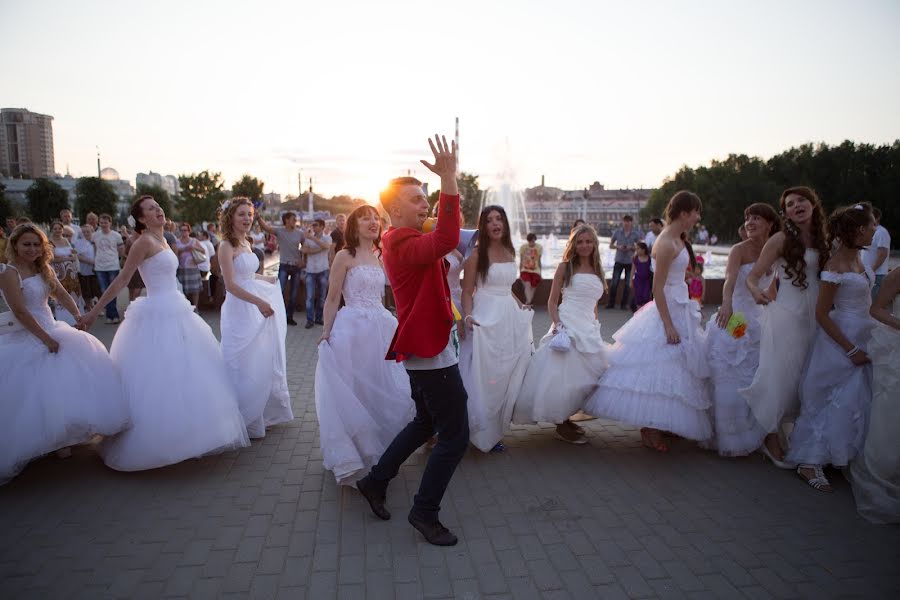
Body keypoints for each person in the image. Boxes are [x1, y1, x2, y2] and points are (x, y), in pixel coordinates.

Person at [79, 195, 249, 471]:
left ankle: (192, 434)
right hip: (156, 312)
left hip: (177, 307)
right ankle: (160, 441)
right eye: (151, 209)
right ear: (141, 218)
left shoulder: (164, 239)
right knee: (160, 377)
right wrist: (93, 312)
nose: (158, 210)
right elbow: (123, 279)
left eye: (158, 206)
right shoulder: (143, 242)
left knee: (191, 372)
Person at [356, 135, 468, 547]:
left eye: (426, 197)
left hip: (427, 346)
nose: (426, 204)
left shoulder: (402, 239)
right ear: (395, 208)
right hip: (430, 352)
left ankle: (375, 481)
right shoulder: (400, 241)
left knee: (425, 422)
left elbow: (441, 238)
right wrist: (450, 179)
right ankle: (424, 512)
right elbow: (446, 239)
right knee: (455, 435)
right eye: (418, 199)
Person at [0, 224, 129, 484]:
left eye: (37, 244)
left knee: (71, 375)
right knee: (33, 392)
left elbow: (60, 292)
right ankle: (39, 442)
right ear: (15, 245)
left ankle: (63, 438)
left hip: (52, 327)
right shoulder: (8, 272)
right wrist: (45, 339)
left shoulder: (42, 268)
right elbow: (21, 312)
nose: (32, 249)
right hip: (28, 334)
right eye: (26, 244)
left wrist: (79, 316)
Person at [585, 191, 712, 452]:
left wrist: (686, 280)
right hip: (667, 309)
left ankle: (666, 422)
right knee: (660, 367)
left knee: (678, 368)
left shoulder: (677, 238)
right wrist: (667, 324)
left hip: (681, 305)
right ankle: (650, 428)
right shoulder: (665, 242)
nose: (698, 217)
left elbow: (676, 274)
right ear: (684, 213)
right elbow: (657, 288)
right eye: (696, 212)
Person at [315, 205, 415, 485]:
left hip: (380, 326)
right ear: (354, 225)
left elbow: (384, 296)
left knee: (382, 384)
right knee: (355, 387)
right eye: (365, 218)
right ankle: (354, 451)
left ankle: (380, 446)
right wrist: (327, 330)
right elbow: (333, 297)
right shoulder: (344, 255)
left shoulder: (380, 255)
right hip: (353, 328)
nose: (372, 222)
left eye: (375, 218)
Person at [786, 203, 876, 492]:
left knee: (854, 401)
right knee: (828, 398)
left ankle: (839, 455)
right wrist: (850, 350)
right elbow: (822, 313)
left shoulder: (862, 261)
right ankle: (809, 460)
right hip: (840, 339)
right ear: (860, 230)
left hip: (865, 331)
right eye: (872, 225)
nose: (875, 229)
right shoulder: (835, 266)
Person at [740, 186, 829, 467]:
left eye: (801, 200)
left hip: (818, 316)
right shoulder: (780, 240)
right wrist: (756, 292)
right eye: (790, 204)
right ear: (786, 213)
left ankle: (803, 435)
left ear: (813, 204)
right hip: (787, 316)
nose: (797, 206)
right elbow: (753, 277)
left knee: (808, 377)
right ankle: (770, 436)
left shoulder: (826, 239)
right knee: (780, 377)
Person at [513, 224, 608, 444]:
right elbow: (552, 301)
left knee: (589, 376)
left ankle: (567, 416)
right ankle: (561, 422)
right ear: (574, 245)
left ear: (594, 244)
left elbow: (593, 303)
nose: (585, 246)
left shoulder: (598, 269)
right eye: (580, 242)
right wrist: (557, 324)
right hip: (567, 324)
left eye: (589, 241)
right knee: (563, 377)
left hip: (588, 326)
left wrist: (595, 323)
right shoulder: (565, 267)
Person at [704, 203, 780, 457]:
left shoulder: (776, 250)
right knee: (733, 373)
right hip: (736, 318)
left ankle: (759, 432)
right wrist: (726, 305)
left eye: (756, 218)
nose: (749, 222)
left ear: (770, 223)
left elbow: (774, 286)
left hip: (762, 320)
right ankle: (732, 437)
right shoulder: (738, 250)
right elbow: (729, 280)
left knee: (758, 375)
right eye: (747, 218)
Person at [460, 205, 534, 453]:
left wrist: (520, 303)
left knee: (503, 375)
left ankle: (493, 430)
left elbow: (507, 287)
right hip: (485, 316)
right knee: (482, 374)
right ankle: (475, 430)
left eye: (499, 218)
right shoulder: (475, 255)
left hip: (508, 317)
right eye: (489, 220)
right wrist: (468, 316)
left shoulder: (510, 251)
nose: (495, 223)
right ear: (483, 226)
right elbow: (467, 291)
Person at [218, 198, 293, 439]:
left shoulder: (247, 242)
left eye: (250, 214)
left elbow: (248, 276)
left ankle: (257, 413)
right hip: (239, 309)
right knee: (239, 360)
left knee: (257, 358)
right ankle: (239, 416)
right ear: (231, 217)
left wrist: (269, 281)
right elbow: (230, 285)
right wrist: (260, 302)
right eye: (242, 214)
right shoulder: (226, 246)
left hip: (251, 305)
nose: (247, 218)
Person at [850, 267, 900, 522]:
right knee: (891, 415)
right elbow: (876, 309)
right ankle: (884, 473)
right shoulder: (898, 274)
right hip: (896, 348)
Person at [258, 211, 305, 326]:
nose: (295, 221)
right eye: (293, 219)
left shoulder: (300, 233)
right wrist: (258, 218)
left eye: (296, 219)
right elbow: (266, 228)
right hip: (284, 265)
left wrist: (303, 259)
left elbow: (305, 246)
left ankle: (290, 317)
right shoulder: (280, 231)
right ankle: (277, 316)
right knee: (280, 291)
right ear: (287, 220)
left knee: (294, 294)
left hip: (296, 267)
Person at [49, 221, 84, 325]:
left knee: (74, 293)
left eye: (59, 228)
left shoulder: (66, 240)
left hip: (72, 273)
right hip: (60, 273)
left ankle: (77, 317)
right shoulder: (49, 243)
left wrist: (73, 254)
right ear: (52, 230)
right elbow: (50, 259)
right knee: (62, 293)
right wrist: (65, 258)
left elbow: (72, 254)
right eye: (55, 229)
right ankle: (64, 320)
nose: (57, 231)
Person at [93, 213, 125, 324]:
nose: (103, 224)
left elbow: (122, 249)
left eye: (105, 222)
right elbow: (94, 248)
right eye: (101, 222)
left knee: (112, 290)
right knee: (104, 291)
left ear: (110, 223)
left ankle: (113, 315)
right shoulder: (95, 235)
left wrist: (120, 261)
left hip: (113, 266)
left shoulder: (116, 235)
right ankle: (110, 315)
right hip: (100, 267)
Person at [302, 218, 332, 328]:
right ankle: (310, 320)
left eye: (316, 225)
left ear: (322, 227)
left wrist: (313, 239)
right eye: (313, 225)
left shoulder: (327, 237)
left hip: (323, 270)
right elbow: (304, 250)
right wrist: (319, 249)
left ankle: (319, 318)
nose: (314, 227)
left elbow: (327, 246)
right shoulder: (309, 239)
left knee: (322, 297)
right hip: (310, 271)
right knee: (309, 297)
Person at [606, 215, 640, 310]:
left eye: (629, 221)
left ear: (631, 223)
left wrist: (631, 248)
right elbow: (611, 245)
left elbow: (639, 247)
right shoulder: (617, 232)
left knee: (627, 284)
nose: (627, 223)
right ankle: (611, 303)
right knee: (614, 282)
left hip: (630, 261)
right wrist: (619, 247)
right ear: (622, 222)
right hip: (619, 260)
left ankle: (623, 305)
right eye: (625, 221)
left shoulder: (635, 234)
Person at [173, 222, 205, 308]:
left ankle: (195, 307)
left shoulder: (194, 241)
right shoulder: (177, 242)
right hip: (182, 268)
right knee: (183, 290)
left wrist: (194, 247)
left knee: (195, 290)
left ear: (189, 231)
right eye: (182, 230)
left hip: (193, 267)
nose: (184, 232)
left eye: (185, 230)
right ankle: (186, 308)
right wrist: (183, 249)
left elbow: (203, 251)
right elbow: (175, 253)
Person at [861, 207, 891, 298]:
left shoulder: (881, 232)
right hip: (867, 274)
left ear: (877, 218)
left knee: (872, 306)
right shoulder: (867, 231)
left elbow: (883, 254)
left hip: (877, 275)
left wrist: (871, 271)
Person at [75, 224, 100, 311]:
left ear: (92, 232)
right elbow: (79, 256)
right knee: (86, 290)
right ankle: (89, 307)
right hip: (84, 270)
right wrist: (92, 262)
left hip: (98, 269)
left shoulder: (97, 240)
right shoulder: (79, 242)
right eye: (84, 232)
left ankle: (97, 308)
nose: (86, 233)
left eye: (88, 231)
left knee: (97, 290)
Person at [518, 232, 542, 307]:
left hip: (535, 270)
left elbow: (539, 261)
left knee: (533, 286)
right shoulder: (523, 247)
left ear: (535, 240)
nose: (532, 243)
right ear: (528, 241)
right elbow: (521, 260)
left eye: (533, 241)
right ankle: (528, 302)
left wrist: (541, 272)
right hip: (525, 270)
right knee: (527, 284)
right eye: (530, 241)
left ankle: (528, 302)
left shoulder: (539, 247)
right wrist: (519, 272)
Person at [124, 228, 145, 303]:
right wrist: (131, 258)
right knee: (131, 289)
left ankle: (134, 305)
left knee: (137, 290)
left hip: (141, 268)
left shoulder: (145, 241)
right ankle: (131, 306)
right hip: (131, 268)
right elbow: (125, 253)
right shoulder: (129, 241)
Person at [630, 241, 652, 310]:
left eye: (638, 249)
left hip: (647, 280)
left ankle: (645, 313)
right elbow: (633, 270)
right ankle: (638, 313)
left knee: (646, 296)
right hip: (638, 280)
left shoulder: (649, 258)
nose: (636, 250)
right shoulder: (635, 258)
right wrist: (630, 281)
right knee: (638, 297)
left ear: (643, 249)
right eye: (636, 249)